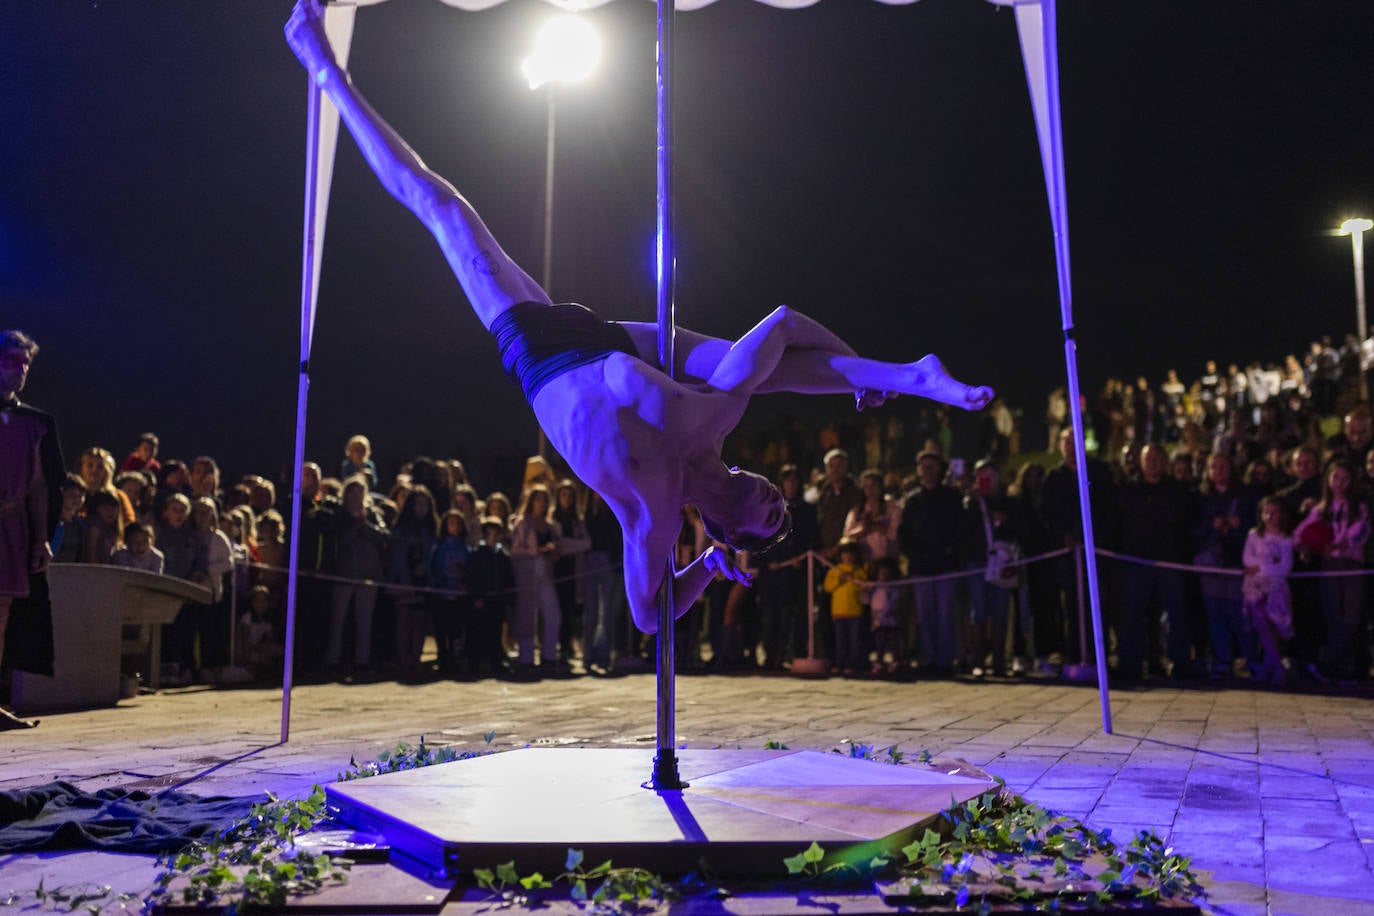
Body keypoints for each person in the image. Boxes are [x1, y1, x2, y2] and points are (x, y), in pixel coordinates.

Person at [284, 1, 992, 635]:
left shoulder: (652, 512)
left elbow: (650, 616)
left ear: (725, 526)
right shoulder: (716, 422)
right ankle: (905, 374)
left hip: (547, 357)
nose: (778, 502)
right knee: (756, 370)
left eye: (769, 520)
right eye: (783, 508)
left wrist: (711, 568)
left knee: (440, 209)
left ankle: (323, 68)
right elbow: (782, 321)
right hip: (620, 347)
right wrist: (867, 374)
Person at [0, 329, 65, 728]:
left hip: (12, 526)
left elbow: (41, 484)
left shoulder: (33, 422)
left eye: (25, 363)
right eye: (11, 360)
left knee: (3, 613)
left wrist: (41, 536)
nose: (20, 369)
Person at [1242, 496, 1293, 687]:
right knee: (1261, 623)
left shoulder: (1286, 538)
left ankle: (1269, 666)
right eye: (1266, 512)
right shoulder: (1254, 535)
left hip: (1276, 588)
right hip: (1255, 587)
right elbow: (1247, 559)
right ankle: (1277, 667)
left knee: (1274, 626)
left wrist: (1262, 568)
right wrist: (1271, 564)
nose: (1270, 516)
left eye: (1274, 512)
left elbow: (1285, 567)